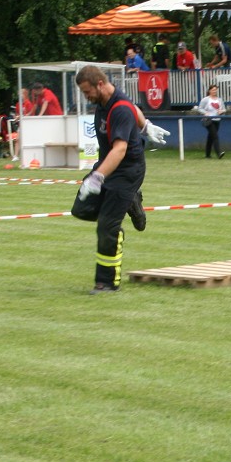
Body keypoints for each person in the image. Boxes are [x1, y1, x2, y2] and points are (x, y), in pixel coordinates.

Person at [72, 65, 160, 294]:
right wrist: (145, 125)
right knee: (81, 209)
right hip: (108, 164)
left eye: (87, 91)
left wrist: (97, 177)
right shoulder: (105, 101)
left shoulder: (119, 108)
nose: (86, 96)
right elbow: (134, 108)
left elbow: (120, 150)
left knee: (107, 226)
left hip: (126, 171)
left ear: (100, 84)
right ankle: (131, 202)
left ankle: (107, 283)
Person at [195, 84, 226, 159]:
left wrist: (221, 111)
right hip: (208, 120)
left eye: (215, 90)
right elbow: (200, 108)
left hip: (217, 120)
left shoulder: (219, 100)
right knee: (215, 136)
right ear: (209, 91)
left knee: (211, 137)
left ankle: (207, 155)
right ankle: (219, 153)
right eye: (213, 90)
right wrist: (205, 113)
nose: (214, 91)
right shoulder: (205, 99)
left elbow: (224, 109)